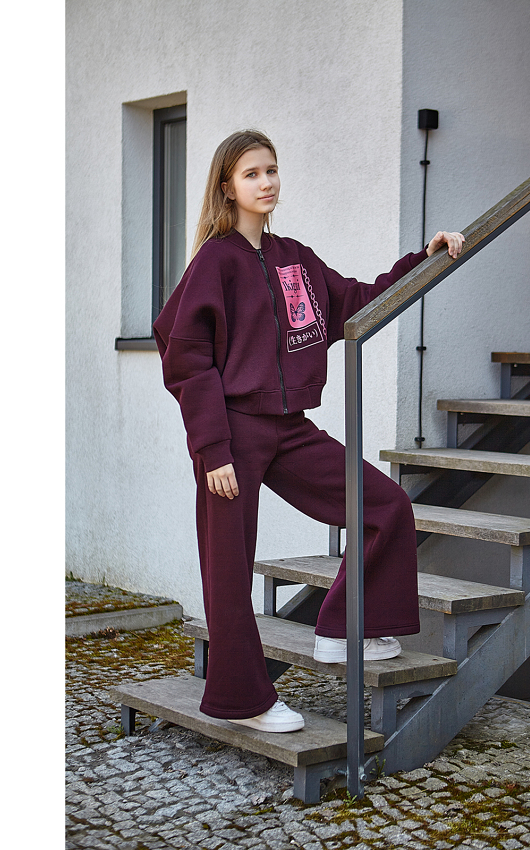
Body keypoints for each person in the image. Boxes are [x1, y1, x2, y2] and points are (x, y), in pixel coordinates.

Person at [153, 129, 465, 733]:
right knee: (227, 567)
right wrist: (212, 448)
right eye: (251, 173)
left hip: (290, 429)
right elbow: (186, 356)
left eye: (271, 170)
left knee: (385, 504)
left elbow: (358, 301)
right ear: (227, 187)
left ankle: (344, 628)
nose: (266, 182)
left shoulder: (294, 257)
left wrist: (421, 261)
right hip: (233, 435)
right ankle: (244, 700)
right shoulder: (215, 261)